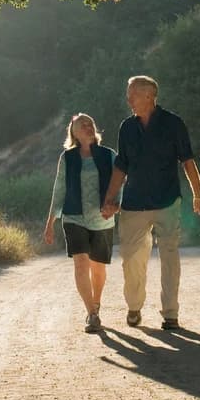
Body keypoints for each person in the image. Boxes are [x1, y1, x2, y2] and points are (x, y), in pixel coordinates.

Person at [100, 75, 200, 330]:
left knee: (169, 256)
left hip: (167, 201)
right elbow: (121, 166)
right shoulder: (126, 127)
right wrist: (109, 199)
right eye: (128, 94)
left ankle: (170, 313)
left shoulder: (173, 124)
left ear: (149, 96)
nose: (128, 99)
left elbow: (187, 161)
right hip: (134, 204)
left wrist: (199, 194)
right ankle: (134, 306)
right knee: (131, 259)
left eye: (133, 94)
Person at [44, 113, 117, 333]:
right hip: (74, 217)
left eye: (89, 123)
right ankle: (91, 314)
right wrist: (50, 223)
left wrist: (116, 205)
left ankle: (96, 303)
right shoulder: (68, 158)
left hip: (102, 220)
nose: (86, 126)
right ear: (73, 132)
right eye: (81, 124)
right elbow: (59, 190)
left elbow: (119, 183)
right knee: (81, 264)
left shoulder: (109, 155)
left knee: (98, 269)